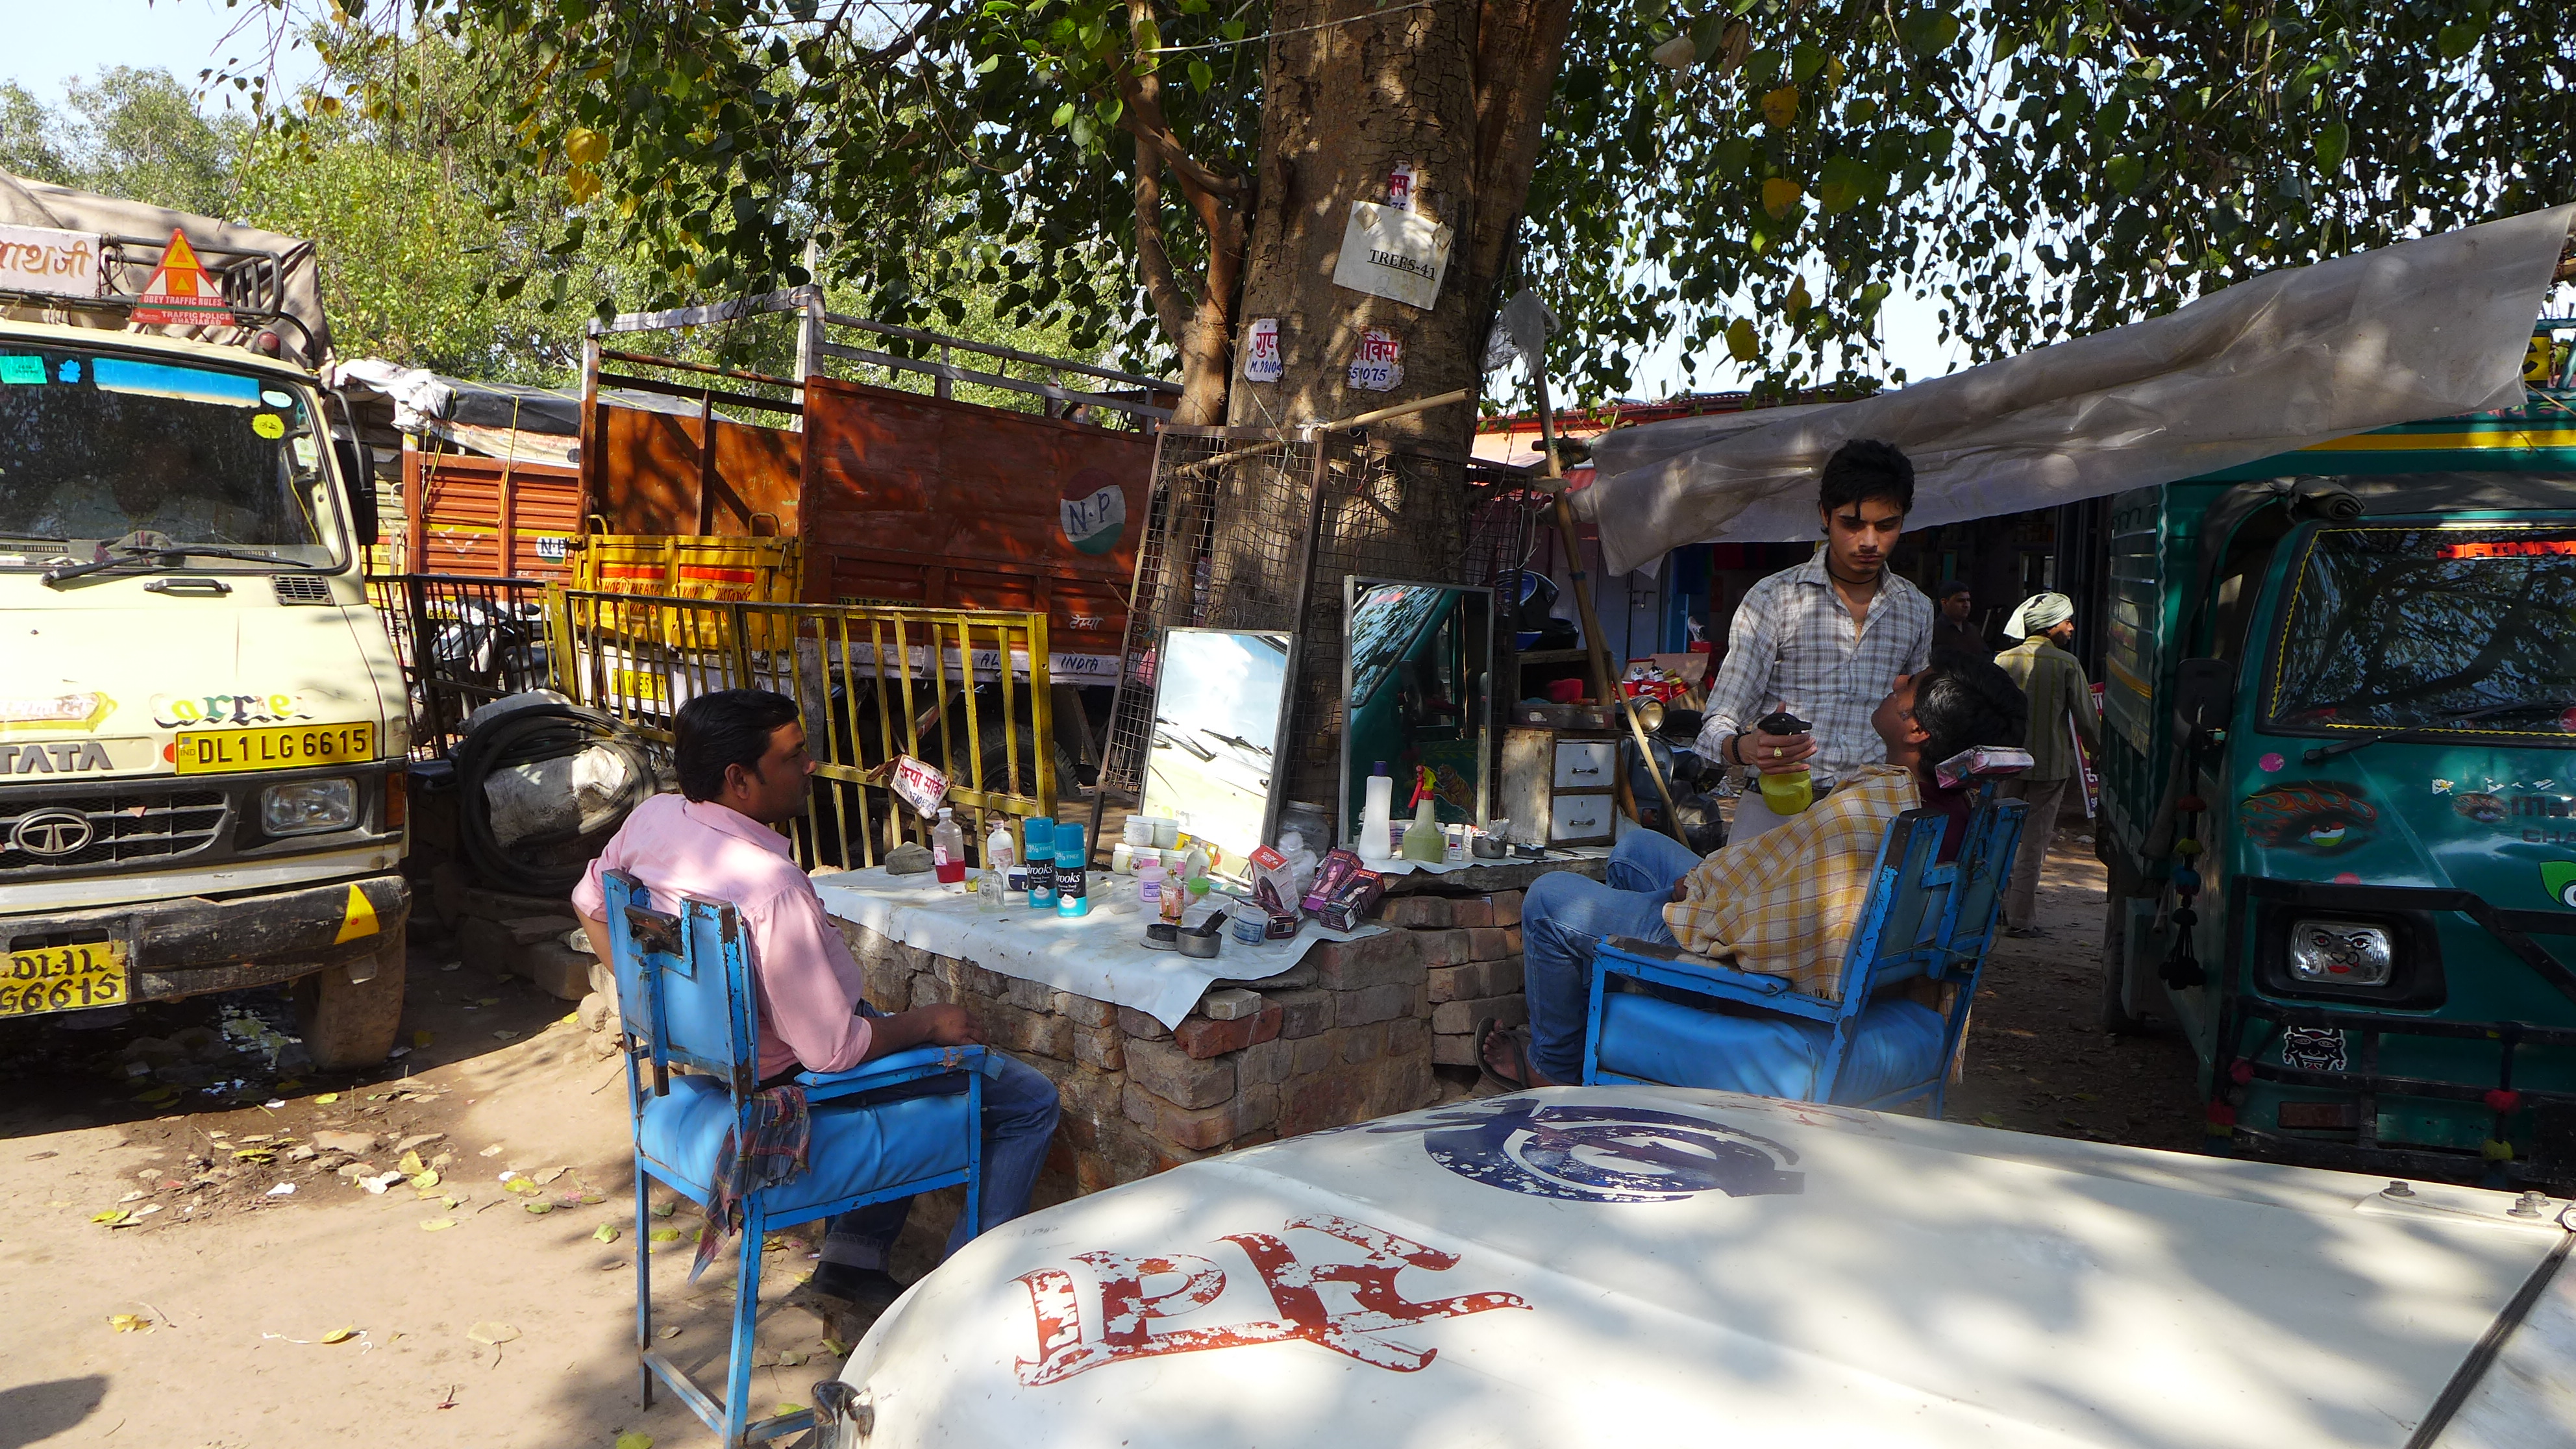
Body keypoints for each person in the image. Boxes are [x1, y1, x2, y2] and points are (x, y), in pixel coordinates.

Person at [572, 689, 1060, 1324]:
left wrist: (652, 1010)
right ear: (738, 779)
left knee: (879, 1020)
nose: (809, 766)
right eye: (793, 756)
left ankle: (851, 1264)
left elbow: (587, 903)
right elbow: (833, 1052)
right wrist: (929, 1022)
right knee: (1026, 1100)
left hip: (714, 1066)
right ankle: (958, 1302)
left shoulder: (655, 819)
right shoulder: (770, 888)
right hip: (797, 1082)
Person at [1485, 653, 2027, 1089]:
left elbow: (1763, 896)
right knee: (1638, 850)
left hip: (1755, 957)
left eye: (1912, 685)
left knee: (1551, 898)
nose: (1900, 678)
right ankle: (1633, 1007)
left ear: (1918, 732)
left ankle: (1552, 1066)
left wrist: (1694, 890)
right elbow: (1777, 869)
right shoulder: (1956, 807)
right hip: (1851, 952)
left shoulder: (1876, 806)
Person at [1695, 439, 1934, 843]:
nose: (1869, 542)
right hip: (1775, 815)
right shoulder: (1773, 599)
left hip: (1871, 818)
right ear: (1825, 516)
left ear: (1904, 520)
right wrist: (1745, 748)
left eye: (1886, 525)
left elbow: (1917, 720)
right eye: (1853, 524)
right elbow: (1716, 725)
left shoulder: (1916, 608)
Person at [1992, 591, 2101, 937]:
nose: (2070, 628)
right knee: (2033, 844)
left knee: (2000, 838)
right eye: (2067, 621)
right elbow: (2086, 721)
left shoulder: (2002, 661)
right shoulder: (2067, 664)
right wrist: (2099, 753)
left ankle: (1991, 911)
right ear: (2053, 627)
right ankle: (2021, 921)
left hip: (2004, 764)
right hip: (2050, 766)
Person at [1932, 580, 1985, 658]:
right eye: (1960, 601)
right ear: (1945, 603)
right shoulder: (1933, 631)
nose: (1966, 605)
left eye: (1968, 600)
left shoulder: (1973, 630)